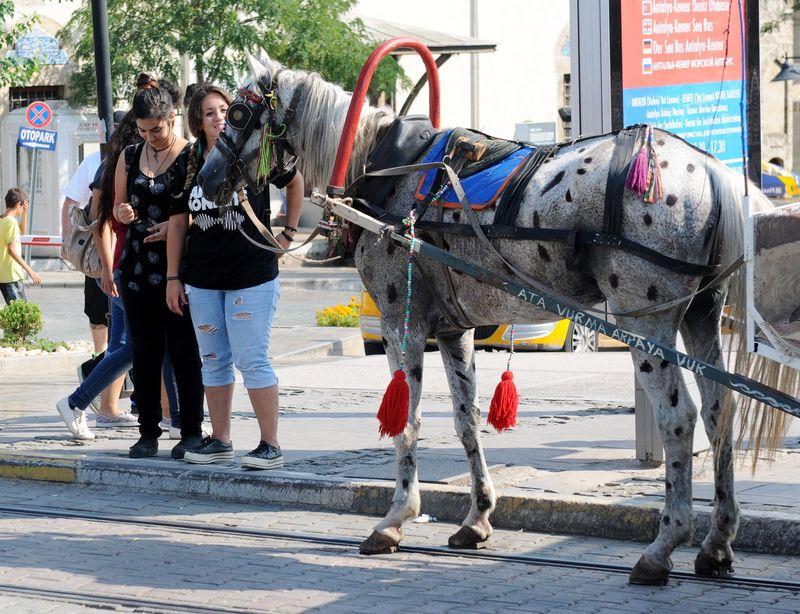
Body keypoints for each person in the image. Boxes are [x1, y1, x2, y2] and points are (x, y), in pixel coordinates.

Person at [167, 84, 303, 469]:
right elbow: (177, 224)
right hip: (202, 279)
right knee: (213, 360)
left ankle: (270, 445)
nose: (219, 118)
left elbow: (295, 182)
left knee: (252, 359)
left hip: (252, 274)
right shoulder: (187, 161)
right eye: (209, 113)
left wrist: (289, 232)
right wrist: (173, 278)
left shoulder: (254, 151)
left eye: (224, 110)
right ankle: (221, 440)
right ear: (198, 122)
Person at [113, 74, 204, 459]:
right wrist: (123, 211)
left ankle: (191, 430)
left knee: (184, 352)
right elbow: (117, 206)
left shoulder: (191, 155)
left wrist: (175, 225)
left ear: (172, 118)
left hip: (177, 270)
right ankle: (147, 431)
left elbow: (204, 211)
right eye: (143, 130)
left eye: (157, 129)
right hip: (136, 269)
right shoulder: (129, 155)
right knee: (145, 352)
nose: (151, 137)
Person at [56, 111, 141, 440]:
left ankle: (103, 407)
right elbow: (99, 221)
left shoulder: (113, 163)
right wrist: (105, 268)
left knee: (121, 345)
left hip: (117, 267)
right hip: (119, 267)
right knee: (135, 345)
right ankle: (77, 402)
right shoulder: (115, 165)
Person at [61, 149, 109, 357]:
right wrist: (67, 240)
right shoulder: (94, 161)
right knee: (97, 310)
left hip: (130, 249)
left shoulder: (143, 155)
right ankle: (99, 356)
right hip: (96, 251)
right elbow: (71, 201)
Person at [0, 188, 41, 303]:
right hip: (12, 275)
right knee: (21, 312)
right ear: (19, 204)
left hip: (4, 274)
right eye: (23, 207)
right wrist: (30, 271)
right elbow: (11, 250)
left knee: (16, 311)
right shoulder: (11, 222)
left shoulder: (3, 219)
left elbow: (22, 231)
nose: (23, 209)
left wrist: (24, 213)